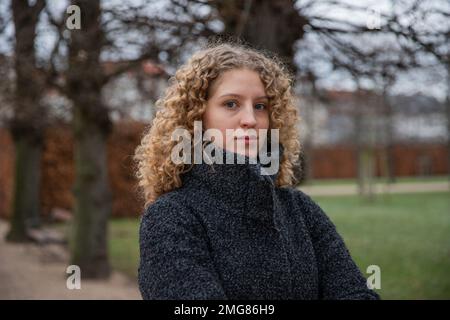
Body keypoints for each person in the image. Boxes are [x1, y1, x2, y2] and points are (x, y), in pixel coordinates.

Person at [134, 42, 380, 300]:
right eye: (231, 104)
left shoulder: (299, 209)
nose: (250, 119)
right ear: (196, 118)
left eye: (260, 106)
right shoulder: (171, 217)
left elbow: (356, 294)